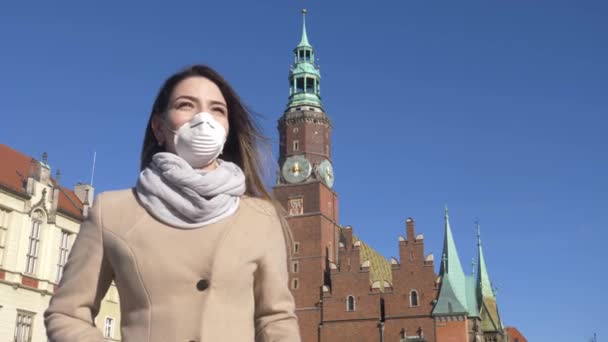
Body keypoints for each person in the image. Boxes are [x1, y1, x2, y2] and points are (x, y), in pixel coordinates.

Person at [44, 65, 301, 342]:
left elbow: (275, 320)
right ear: (159, 127)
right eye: (186, 105)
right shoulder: (113, 211)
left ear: (227, 130)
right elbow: (67, 313)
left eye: (217, 110)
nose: (204, 118)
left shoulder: (260, 217)